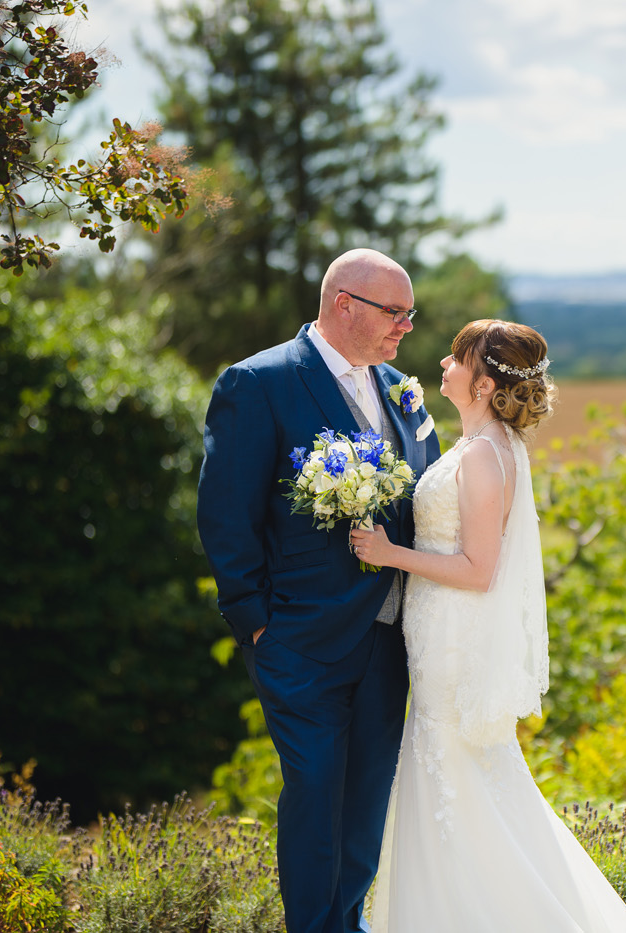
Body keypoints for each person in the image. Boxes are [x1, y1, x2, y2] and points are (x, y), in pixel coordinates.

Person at [349, 320, 626, 931]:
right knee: (459, 776)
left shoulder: (485, 456)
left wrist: (388, 553)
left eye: (456, 358)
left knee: (452, 772)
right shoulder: (484, 445)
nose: (443, 363)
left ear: (482, 384)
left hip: (453, 638)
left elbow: (479, 569)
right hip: (439, 630)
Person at [197, 248, 442, 933]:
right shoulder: (259, 382)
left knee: (366, 801)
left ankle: (348, 922)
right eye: (395, 312)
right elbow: (225, 514)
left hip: (390, 638)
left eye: (409, 313)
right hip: (298, 640)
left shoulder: (399, 390)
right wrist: (255, 624)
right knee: (314, 795)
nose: (405, 327)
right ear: (344, 304)